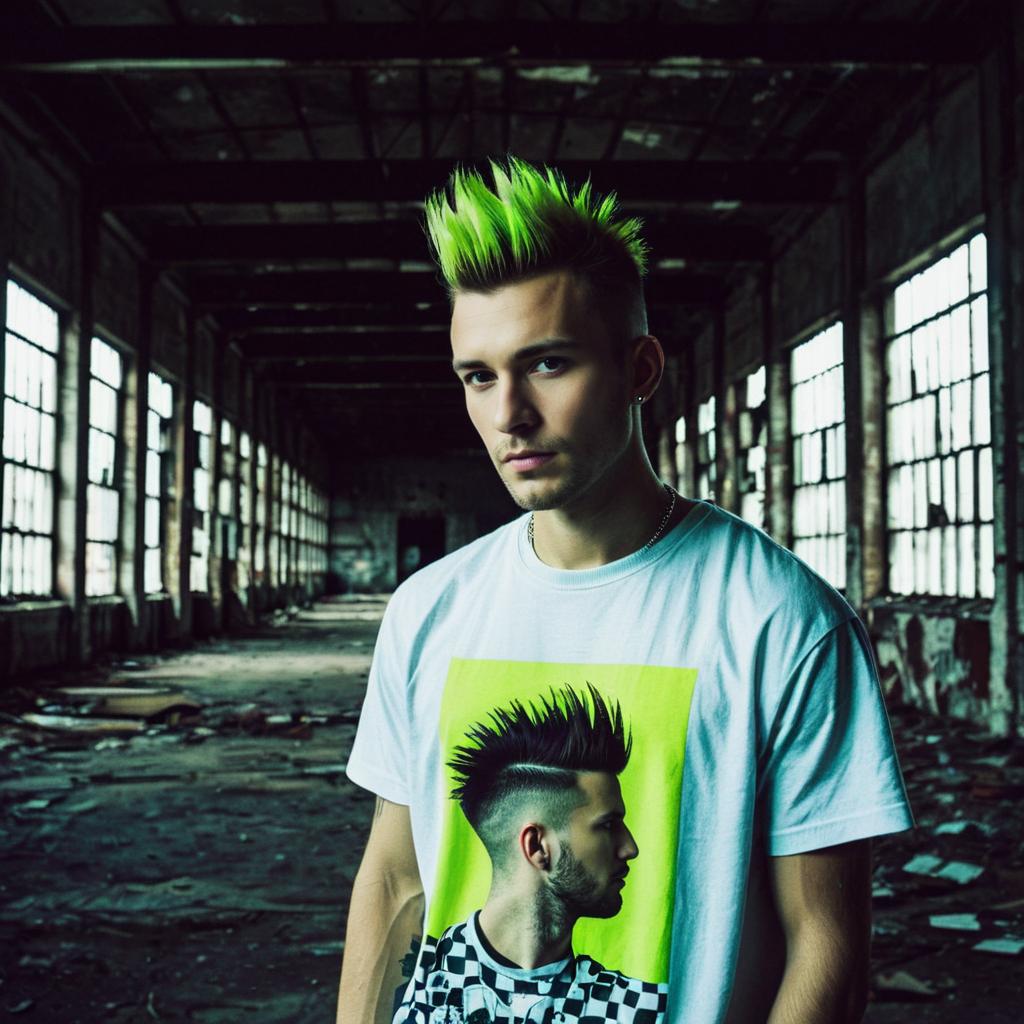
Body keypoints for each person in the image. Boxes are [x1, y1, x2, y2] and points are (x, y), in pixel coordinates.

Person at [337, 155, 913, 1024]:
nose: (509, 415)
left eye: (549, 365)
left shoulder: (780, 620)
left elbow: (825, 947)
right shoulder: (427, 610)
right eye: (479, 376)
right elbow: (395, 879)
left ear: (641, 370)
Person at [393, 683, 666, 1024]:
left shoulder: (633, 1006)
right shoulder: (421, 986)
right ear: (537, 847)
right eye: (608, 825)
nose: (630, 848)